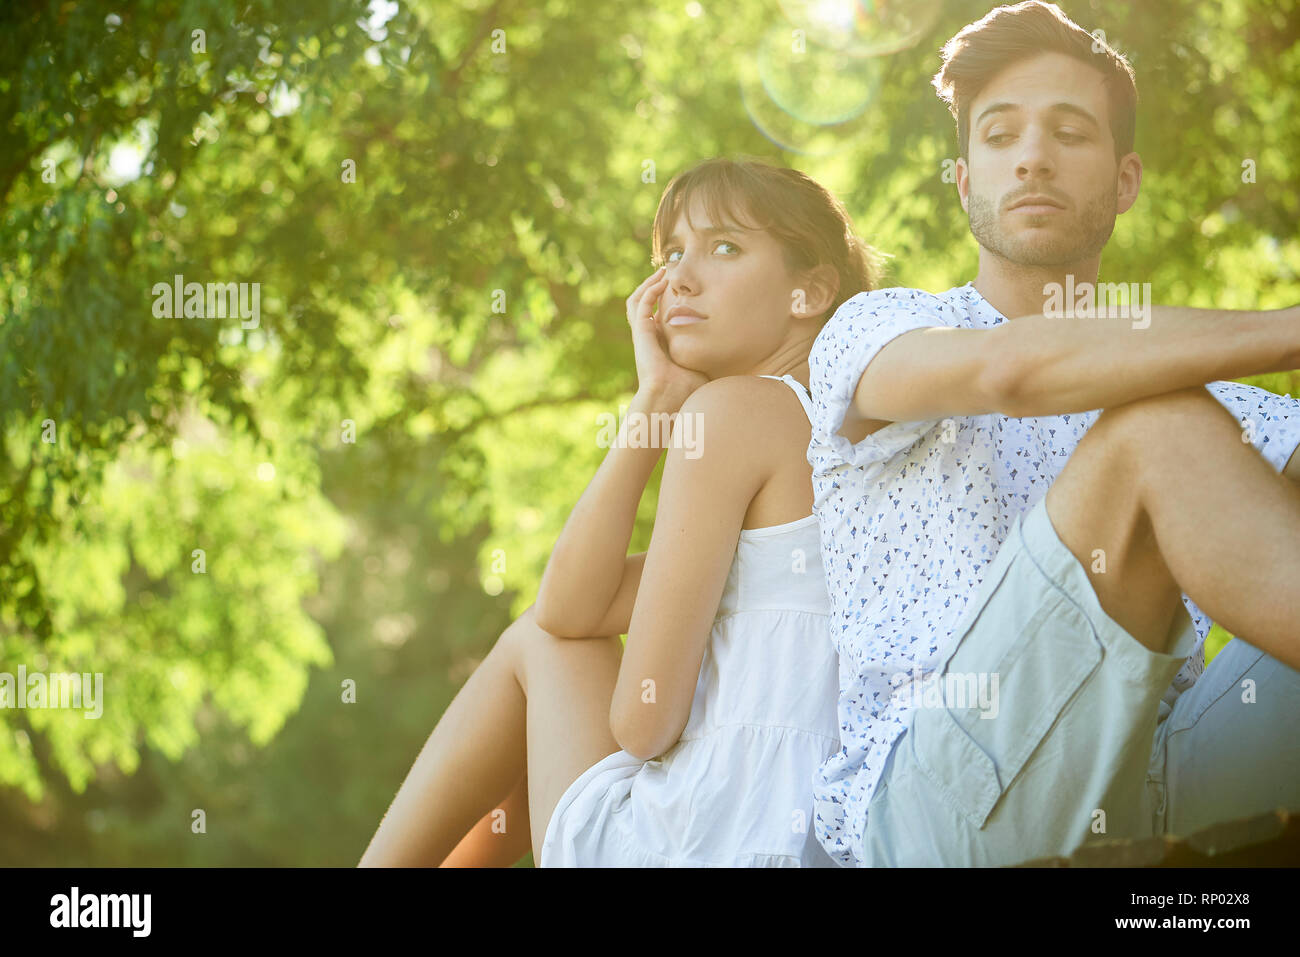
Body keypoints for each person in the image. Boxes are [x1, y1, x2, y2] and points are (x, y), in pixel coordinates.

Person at [807, 0, 1300, 867]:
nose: (1032, 155)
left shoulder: (1216, 405)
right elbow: (1011, 372)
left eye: (1070, 131)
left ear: (1125, 180)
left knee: (1176, 425)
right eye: (999, 136)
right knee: (1159, 433)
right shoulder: (880, 329)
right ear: (964, 180)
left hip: (1162, 778)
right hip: (937, 806)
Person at [359, 157, 882, 867]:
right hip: (806, 845)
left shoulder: (736, 412)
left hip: (703, 844)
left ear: (810, 289)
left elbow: (638, 719)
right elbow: (575, 605)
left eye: (725, 247)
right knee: (542, 700)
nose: (680, 280)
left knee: (535, 651)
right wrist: (658, 398)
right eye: (672, 253)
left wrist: (661, 404)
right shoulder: (855, 437)